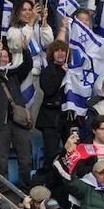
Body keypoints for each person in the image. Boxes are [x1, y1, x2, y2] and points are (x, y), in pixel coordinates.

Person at [0, 45, 34, 185]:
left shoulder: (14, 75)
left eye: (5, 56)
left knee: (26, 160)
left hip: (19, 123)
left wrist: (25, 50)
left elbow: (27, 66)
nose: (3, 58)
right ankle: (2, 189)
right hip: (1, 123)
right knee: (0, 160)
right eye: (1, 56)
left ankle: (25, 188)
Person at [38, 41, 71, 171]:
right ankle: (47, 184)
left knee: (70, 154)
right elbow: (49, 90)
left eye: (63, 50)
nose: (60, 53)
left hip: (67, 117)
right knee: (51, 155)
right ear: (52, 54)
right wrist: (62, 73)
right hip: (50, 118)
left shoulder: (73, 70)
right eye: (57, 50)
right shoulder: (46, 71)